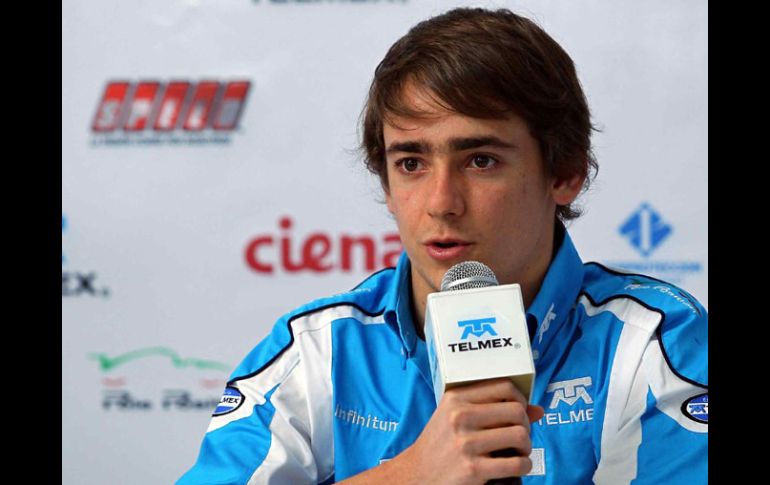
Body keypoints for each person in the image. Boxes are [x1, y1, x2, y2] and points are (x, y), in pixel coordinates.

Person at [178, 7, 708, 484]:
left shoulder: (655, 343)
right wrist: (410, 476)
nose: (440, 202)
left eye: (480, 160)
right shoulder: (321, 349)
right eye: (410, 163)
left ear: (565, 172)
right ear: (386, 186)